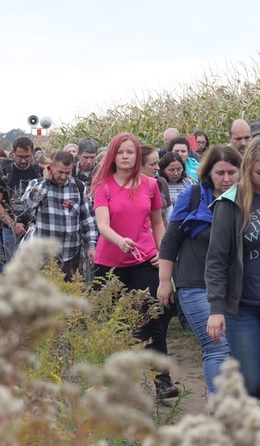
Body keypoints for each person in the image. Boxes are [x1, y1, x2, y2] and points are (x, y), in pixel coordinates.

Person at [206, 137, 260, 408]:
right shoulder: (229, 204)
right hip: (242, 307)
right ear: (248, 169)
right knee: (253, 382)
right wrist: (216, 308)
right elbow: (217, 260)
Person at [90, 132, 177, 399]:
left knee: (152, 318)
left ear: (137, 156)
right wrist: (120, 241)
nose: (126, 157)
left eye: (130, 152)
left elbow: (158, 223)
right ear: (113, 156)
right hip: (110, 262)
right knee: (115, 322)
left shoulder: (151, 185)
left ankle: (162, 381)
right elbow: (102, 225)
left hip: (144, 260)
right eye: (121, 152)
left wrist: (162, 252)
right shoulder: (102, 186)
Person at [158, 145, 240, 394]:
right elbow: (170, 241)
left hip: (235, 286)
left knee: (236, 348)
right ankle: (221, 409)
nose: (226, 179)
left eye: (231, 172)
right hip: (195, 283)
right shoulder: (193, 197)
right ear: (209, 173)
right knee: (217, 345)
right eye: (220, 173)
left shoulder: (247, 199)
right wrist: (164, 282)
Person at [23, 151, 98, 281]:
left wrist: (91, 246)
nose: (63, 176)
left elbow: (88, 219)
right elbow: (29, 204)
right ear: (51, 167)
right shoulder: (37, 184)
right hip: (45, 255)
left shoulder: (78, 187)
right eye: (60, 172)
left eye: (67, 173)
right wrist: (45, 181)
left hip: (71, 253)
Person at [0, 136, 43, 263]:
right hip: (11, 229)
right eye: (20, 156)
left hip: (36, 229)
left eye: (27, 156)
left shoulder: (40, 173)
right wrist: (12, 224)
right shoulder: (4, 174)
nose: (24, 161)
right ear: (13, 153)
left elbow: (47, 201)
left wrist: (38, 222)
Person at [141, 145, 171, 227]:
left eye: (157, 163)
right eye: (152, 164)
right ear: (139, 165)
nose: (157, 168)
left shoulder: (161, 182)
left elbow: (169, 212)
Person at [158, 152, 193, 222]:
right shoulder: (160, 184)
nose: (176, 173)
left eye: (179, 169)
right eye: (171, 170)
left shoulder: (187, 183)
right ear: (163, 170)